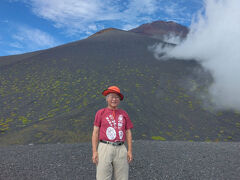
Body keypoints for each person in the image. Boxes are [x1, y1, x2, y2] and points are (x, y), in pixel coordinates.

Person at [92, 86, 134, 180]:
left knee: (122, 177)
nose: (114, 99)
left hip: (121, 148)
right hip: (104, 147)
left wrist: (129, 151)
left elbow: (128, 132)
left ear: (119, 100)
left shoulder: (123, 113)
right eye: (112, 97)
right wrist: (95, 151)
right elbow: (95, 132)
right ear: (107, 99)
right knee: (102, 177)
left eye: (117, 97)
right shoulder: (100, 113)